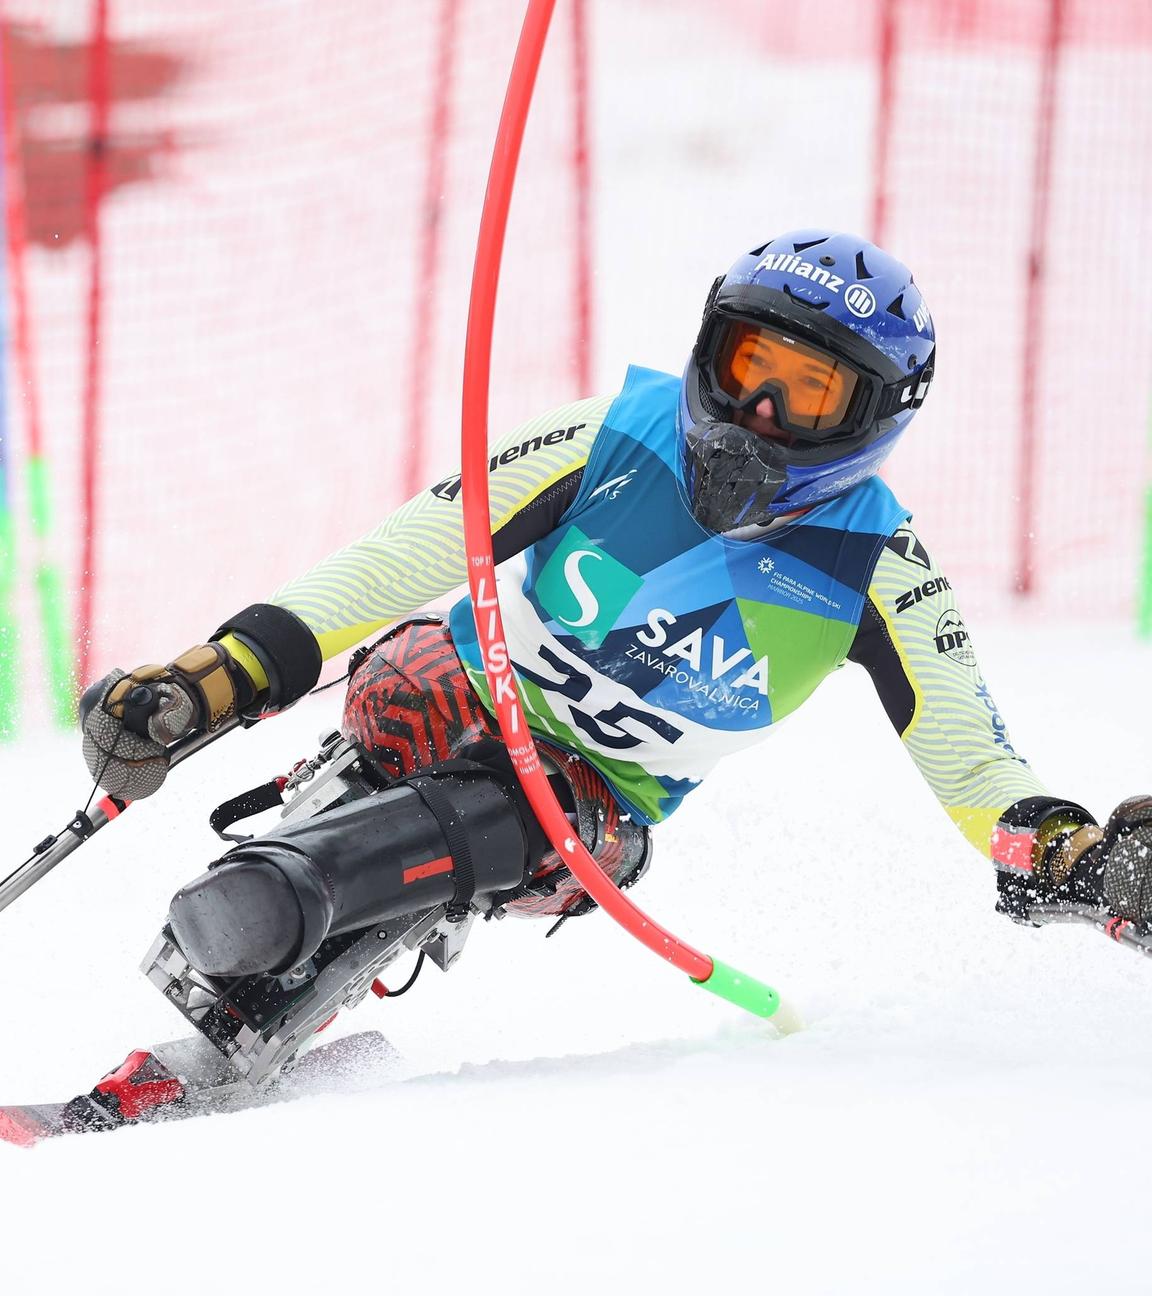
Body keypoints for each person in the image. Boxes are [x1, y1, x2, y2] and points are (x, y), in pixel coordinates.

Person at [81, 227, 1152, 988]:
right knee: (408, 684)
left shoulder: (879, 567)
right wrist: (205, 678)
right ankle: (320, 835)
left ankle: (297, 900)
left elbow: (978, 770)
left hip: (587, 808)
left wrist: (1078, 860)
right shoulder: (615, 436)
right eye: (746, 367)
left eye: (808, 394)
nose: (759, 413)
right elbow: (391, 562)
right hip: (450, 689)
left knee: (519, 803)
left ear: (873, 419)